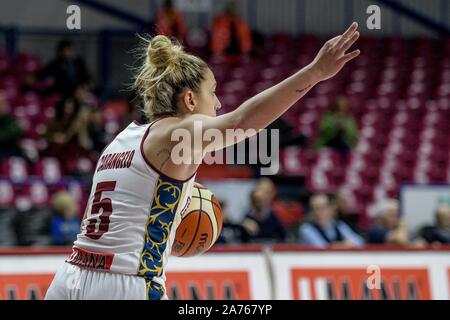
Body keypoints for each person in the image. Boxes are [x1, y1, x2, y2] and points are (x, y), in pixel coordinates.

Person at [45, 22, 361, 300]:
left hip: (70, 276)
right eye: (213, 92)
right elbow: (243, 121)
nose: (219, 102)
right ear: (191, 100)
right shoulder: (176, 132)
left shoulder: (122, 139)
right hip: (124, 283)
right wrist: (316, 72)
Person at [298, 193, 364, 248]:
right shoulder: (306, 228)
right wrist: (344, 245)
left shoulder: (339, 225)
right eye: (314, 208)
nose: (318, 212)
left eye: (322, 207)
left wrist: (339, 245)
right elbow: (322, 247)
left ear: (330, 209)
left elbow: (359, 242)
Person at [0, 93, 23, 159]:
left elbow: (17, 132)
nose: (2, 106)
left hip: (9, 150)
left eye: (3, 104)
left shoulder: (9, 118)